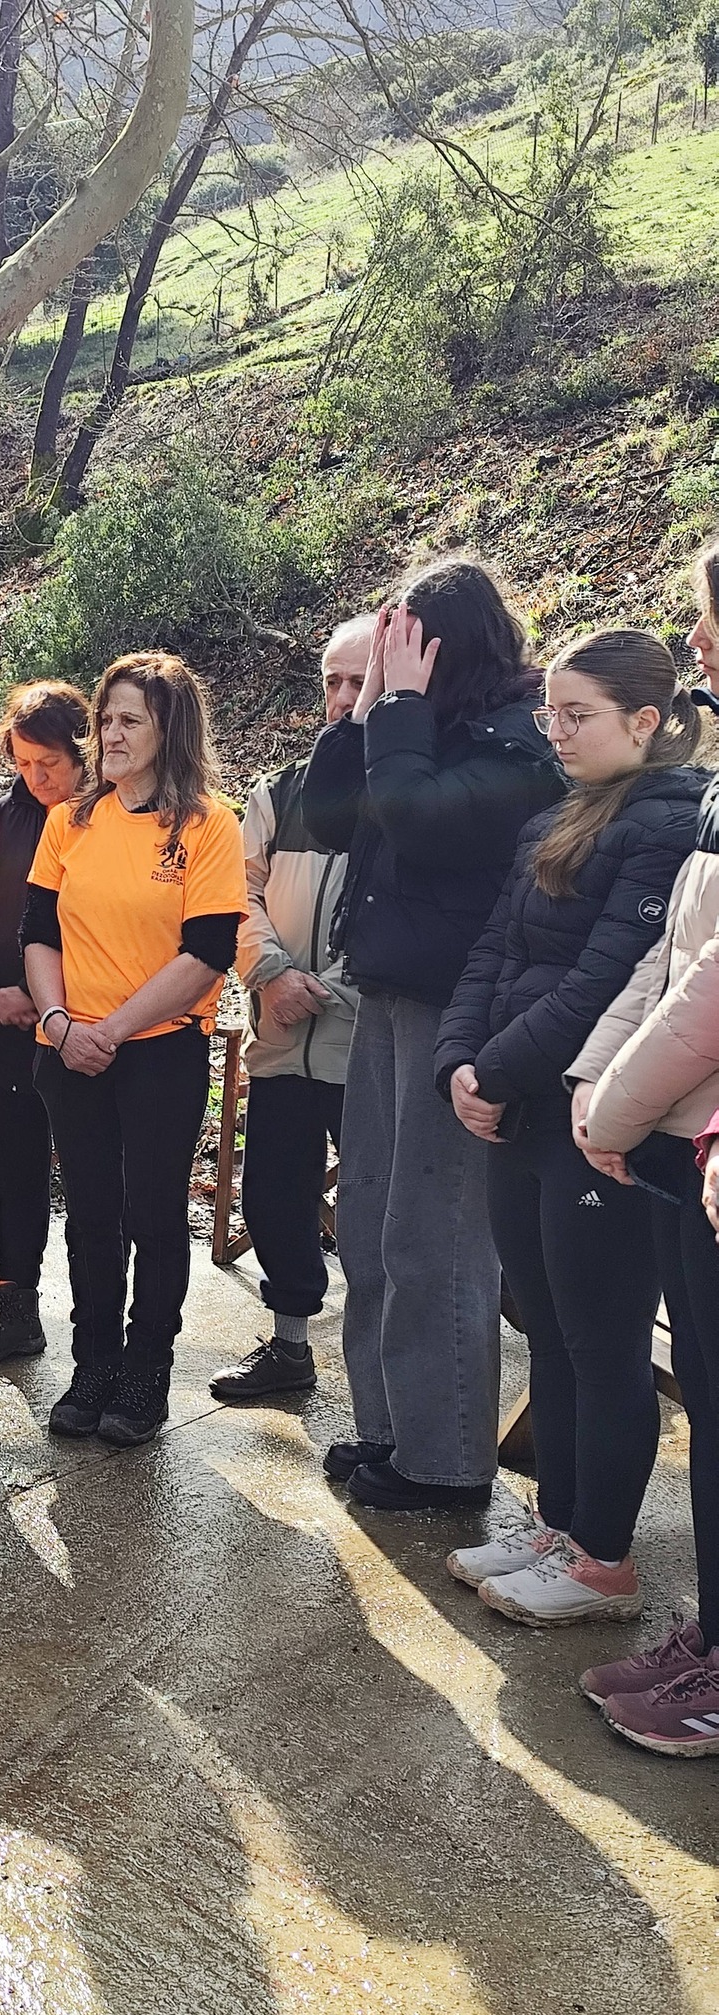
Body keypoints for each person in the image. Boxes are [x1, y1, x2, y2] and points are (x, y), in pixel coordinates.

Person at [435, 629, 705, 1623]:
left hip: (597, 1122)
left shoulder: (669, 823)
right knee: (546, 1329)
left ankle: (605, 1562)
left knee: (603, 1343)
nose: (555, 731)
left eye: (577, 714)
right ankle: (559, 1525)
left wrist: (497, 1070)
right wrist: (458, 1065)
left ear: (645, 721)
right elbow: (491, 954)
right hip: (520, 1115)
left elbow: (604, 983)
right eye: (550, 711)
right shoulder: (556, 816)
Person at [301, 558, 563, 1509]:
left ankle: (446, 1460)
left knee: (435, 1238)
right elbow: (326, 817)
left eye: (405, 644)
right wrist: (370, 703)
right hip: (385, 993)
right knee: (371, 1226)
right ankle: (390, 1430)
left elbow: (419, 825)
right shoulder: (413, 724)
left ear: (450, 647)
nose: (391, 661)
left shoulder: (516, 741)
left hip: (458, 1013)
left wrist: (402, 710)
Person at [564, 542, 719, 1755]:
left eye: (712, 622)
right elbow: (668, 963)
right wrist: (600, 1089)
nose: (699, 641)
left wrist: (607, 1107)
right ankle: (710, 1634)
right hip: (676, 1140)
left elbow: (709, 988)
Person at [21, 651, 248, 1446]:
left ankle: (146, 1368)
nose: (110, 734)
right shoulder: (70, 822)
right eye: (105, 719)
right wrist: (59, 1024)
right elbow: (38, 934)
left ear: (170, 731)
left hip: (156, 1053)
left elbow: (207, 953)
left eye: (129, 721)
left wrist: (111, 1031)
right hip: (69, 1048)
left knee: (152, 1214)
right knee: (90, 1215)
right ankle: (93, 1363)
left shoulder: (210, 826)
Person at [210, 616, 371, 1402]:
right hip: (278, 1040)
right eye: (332, 681)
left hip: (367, 1049)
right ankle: (289, 1347)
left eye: (359, 682)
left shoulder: (411, 796)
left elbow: (405, 918)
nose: (342, 698)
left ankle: (385, 1388)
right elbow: (236, 894)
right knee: (273, 1196)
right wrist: (271, 975)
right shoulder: (279, 791)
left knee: (376, 1218)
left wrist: (329, 988)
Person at [0, 679, 89, 1372]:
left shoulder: (107, 820)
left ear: (83, 755)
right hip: (4, 1028)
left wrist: (63, 1004)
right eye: (24, 762)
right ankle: (15, 1305)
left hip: (91, 1029)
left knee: (97, 1179)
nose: (37, 779)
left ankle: (103, 1326)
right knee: (16, 1169)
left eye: (50, 764)